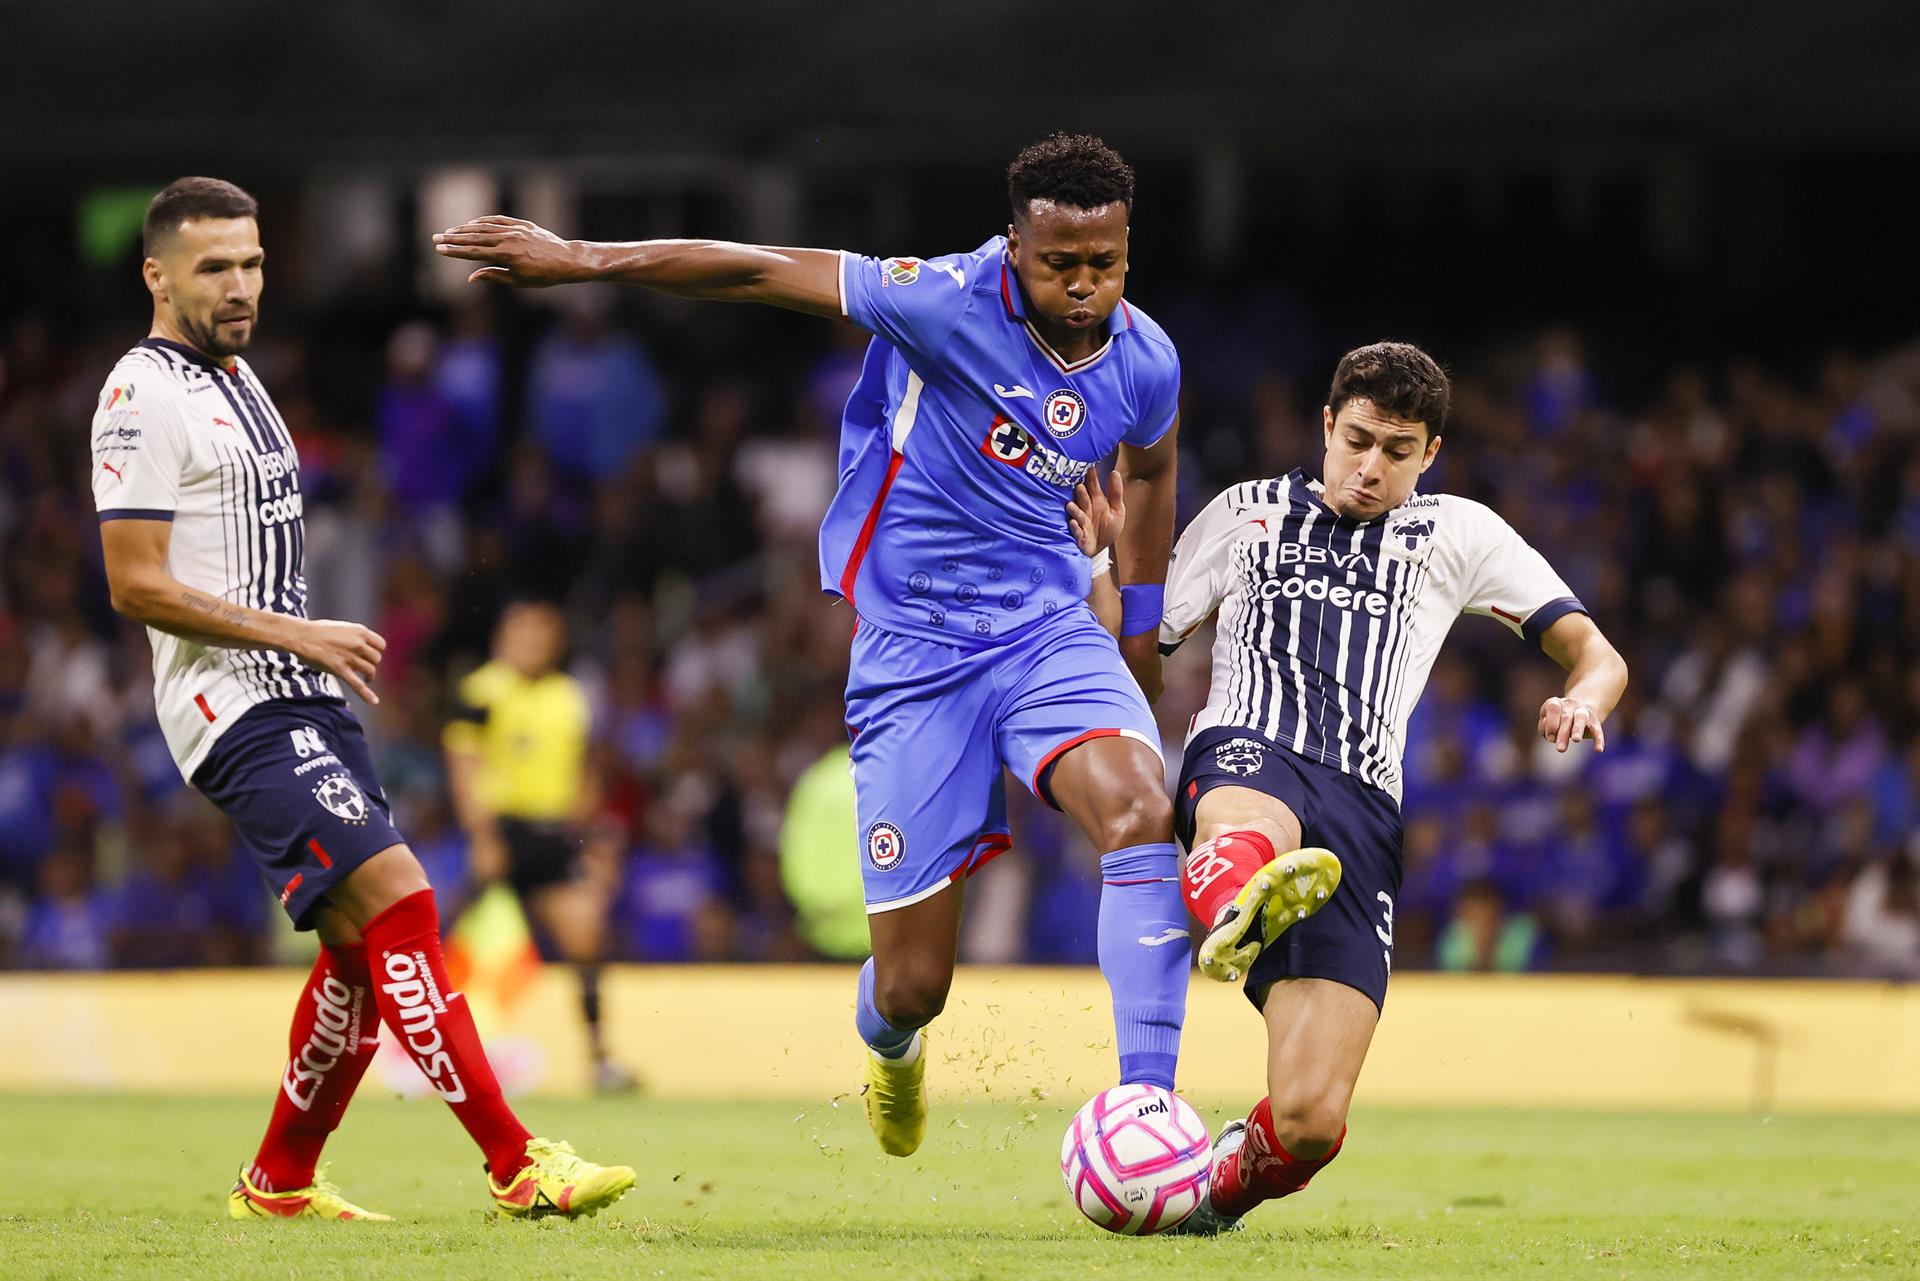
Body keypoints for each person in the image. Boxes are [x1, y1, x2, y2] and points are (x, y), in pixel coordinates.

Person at [435, 133, 1191, 1158]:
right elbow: (757, 268)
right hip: (915, 657)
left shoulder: (1145, 358)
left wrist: (1137, 640)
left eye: (1105, 262)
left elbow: (1147, 473)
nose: (1085, 285)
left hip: (1048, 632)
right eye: (1061, 263)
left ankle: (1150, 1112)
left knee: (1142, 811)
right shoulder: (939, 300)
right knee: (915, 987)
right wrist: (582, 257)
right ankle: (889, 1047)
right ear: (1015, 245)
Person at [91, 177, 633, 1221]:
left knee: (355, 958)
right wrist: (300, 632)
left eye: (251, 263)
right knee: (403, 900)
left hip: (301, 695)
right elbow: (132, 582)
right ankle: (517, 1162)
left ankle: (281, 1181)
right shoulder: (138, 395)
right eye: (215, 267)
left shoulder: (240, 378)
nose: (242, 285)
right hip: (231, 705)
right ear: (156, 275)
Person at [1139, 342, 1629, 1232]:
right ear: (1326, 425)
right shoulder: (1245, 514)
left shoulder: (1458, 533)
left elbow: (1597, 652)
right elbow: (1140, 663)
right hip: (1250, 748)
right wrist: (1100, 565)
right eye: (1357, 439)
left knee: (1310, 1123)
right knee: (1252, 829)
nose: (1370, 467)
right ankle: (1237, 890)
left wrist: (1582, 699)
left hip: (1362, 807)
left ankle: (1207, 1193)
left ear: (1430, 452)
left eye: (1396, 450)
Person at [444, 599, 635, 1092]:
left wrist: (590, 838)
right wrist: (481, 836)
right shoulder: (481, 691)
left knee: (586, 937)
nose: (531, 644)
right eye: (522, 633)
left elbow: (589, 767)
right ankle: (438, 1056)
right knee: (462, 945)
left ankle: (599, 1060)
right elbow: (464, 766)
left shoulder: (570, 696)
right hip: (502, 832)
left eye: (541, 634)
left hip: (554, 835)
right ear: (502, 639)